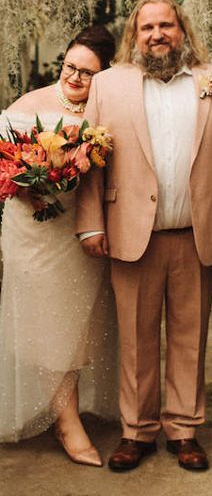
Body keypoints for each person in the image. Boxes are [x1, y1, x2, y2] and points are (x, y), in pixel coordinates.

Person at [76, 0, 212, 473]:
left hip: (197, 232)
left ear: (182, 30)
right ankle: (135, 432)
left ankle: (184, 430)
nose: (157, 34)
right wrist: (91, 224)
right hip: (129, 233)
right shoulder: (107, 85)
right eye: (147, 28)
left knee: (190, 336)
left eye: (166, 25)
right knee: (136, 341)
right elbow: (89, 165)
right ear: (133, 36)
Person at [0, 25, 117, 466]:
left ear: (103, 76)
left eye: (87, 73)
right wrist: (27, 184)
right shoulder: (28, 106)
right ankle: (67, 424)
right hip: (33, 230)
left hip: (79, 231)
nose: (74, 78)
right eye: (70, 66)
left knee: (77, 323)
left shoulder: (105, 113)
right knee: (46, 322)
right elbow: (4, 166)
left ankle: (64, 409)